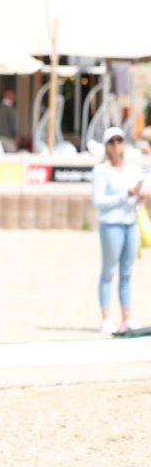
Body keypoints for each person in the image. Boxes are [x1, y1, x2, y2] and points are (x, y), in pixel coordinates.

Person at [93, 126, 146, 334]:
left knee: (127, 272)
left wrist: (138, 196)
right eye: (112, 142)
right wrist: (125, 195)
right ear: (107, 146)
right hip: (111, 225)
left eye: (119, 141)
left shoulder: (132, 169)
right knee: (108, 271)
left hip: (130, 222)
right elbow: (99, 201)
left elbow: (137, 195)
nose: (116, 145)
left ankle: (127, 316)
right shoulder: (101, 170)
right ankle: (106, 317)